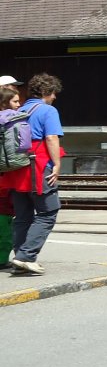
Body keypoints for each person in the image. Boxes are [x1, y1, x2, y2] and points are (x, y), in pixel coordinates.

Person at [9, 73, 64, 276]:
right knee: (48, 212)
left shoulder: (18, 108)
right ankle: (26, 256)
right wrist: (57, 164)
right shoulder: (47, 110)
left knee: (22, 215)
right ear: (46, 92)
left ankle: (19, 257)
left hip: (16, 168)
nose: (54, 97)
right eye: (53, 93)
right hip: (38, 166)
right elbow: (50, 138)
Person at [0, 87, 21, 270]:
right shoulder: (11, 119)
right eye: (15, 101)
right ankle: (1, 259)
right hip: (4, 180)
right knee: (5, 222)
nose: (18, 105)